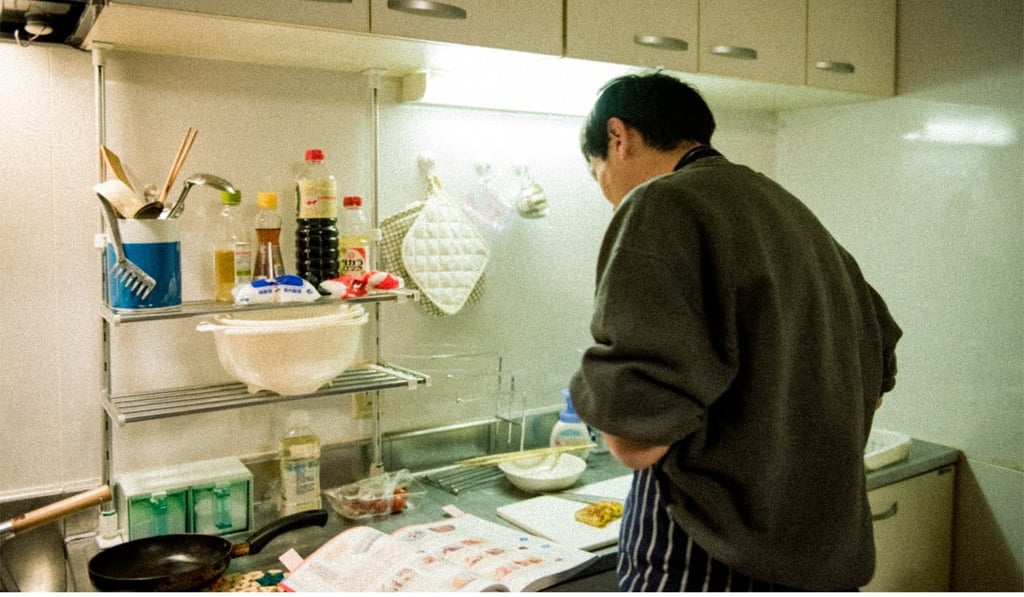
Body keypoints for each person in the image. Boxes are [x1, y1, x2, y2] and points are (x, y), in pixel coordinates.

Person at [568, 72, 902, 592]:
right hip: (819, 557)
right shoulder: (792, 214)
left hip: (711, 556)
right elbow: (878, 368)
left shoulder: (662, 202)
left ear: (618, 137)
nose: (608, 196)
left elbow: (635, 439)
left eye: (598, 174)